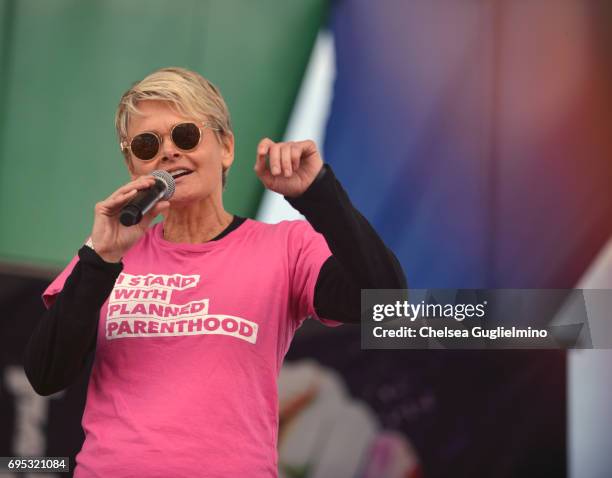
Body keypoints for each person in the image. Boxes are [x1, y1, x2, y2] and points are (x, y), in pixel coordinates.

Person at [24, 67, 406, 477]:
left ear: (225, 147)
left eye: (186, 135)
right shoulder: (108, 255)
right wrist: (100, 258)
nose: (169, 152)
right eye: (147, 144)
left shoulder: (285, 247)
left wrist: (318, 195)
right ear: (133, 165)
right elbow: (46, 376)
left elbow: (383, 302)